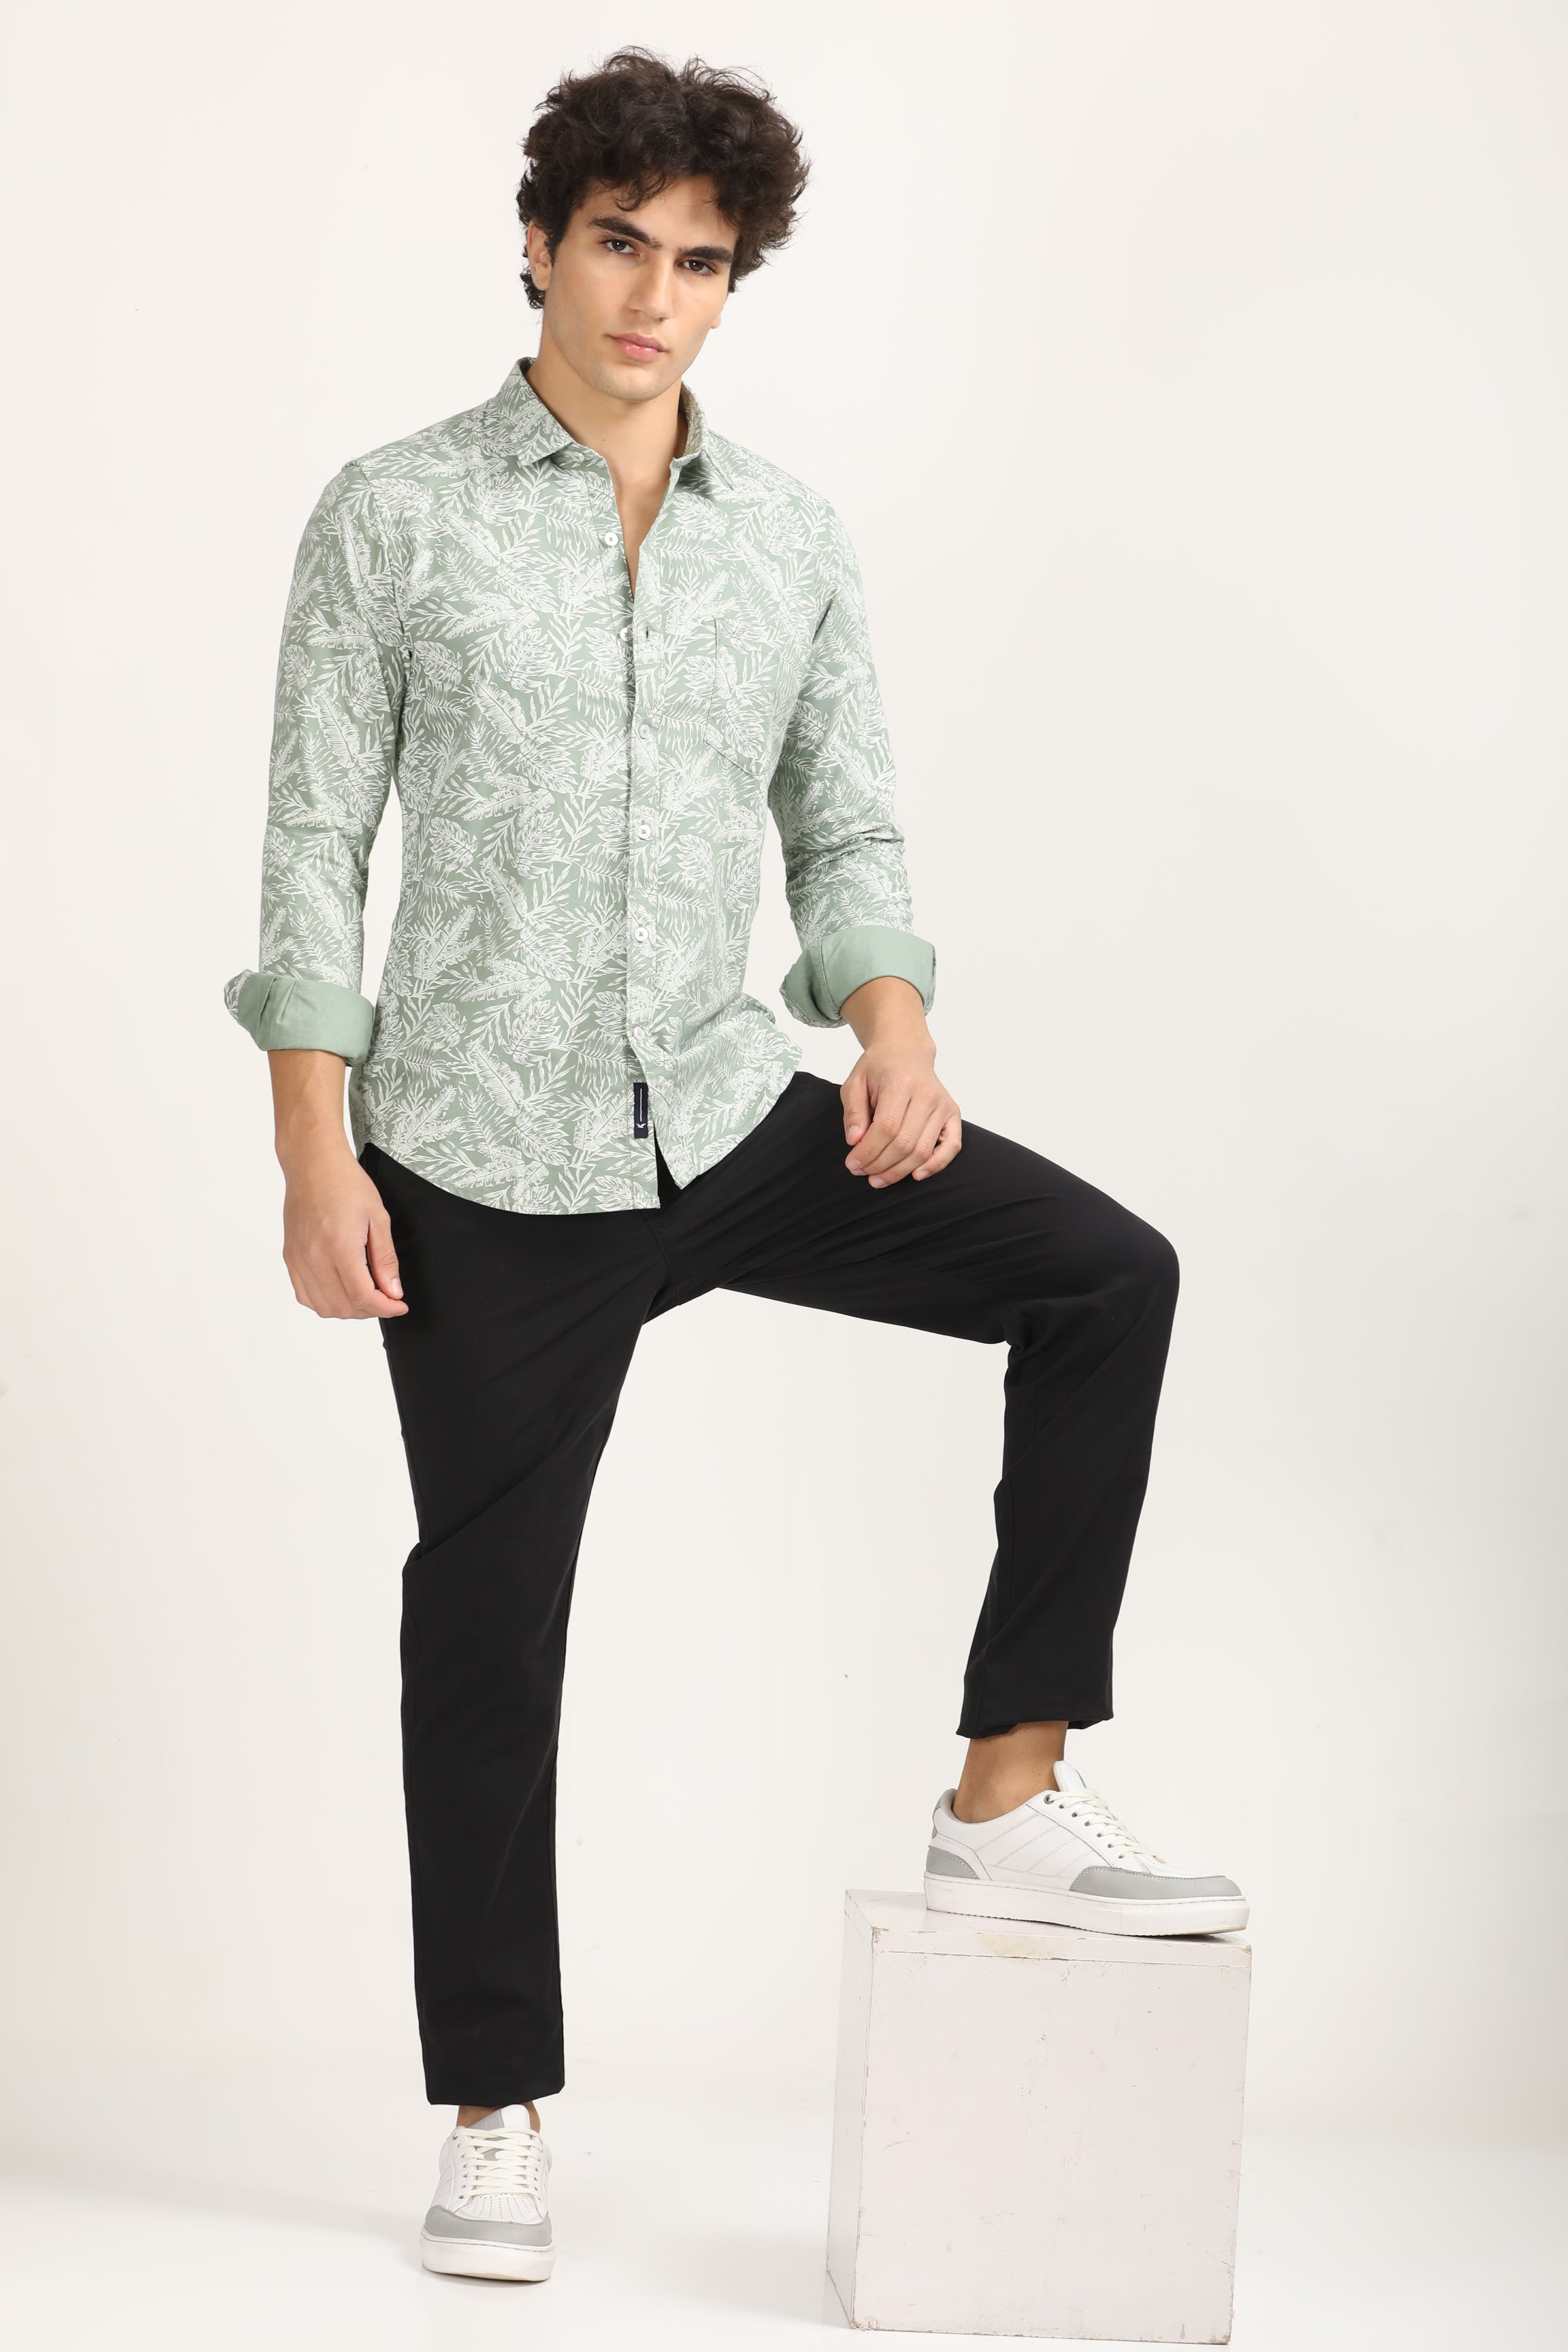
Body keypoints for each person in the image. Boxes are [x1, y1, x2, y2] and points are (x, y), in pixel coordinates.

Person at [224, 46, 1247, 2288]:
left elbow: (846, 821)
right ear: (538, 241)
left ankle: (1007, 1788)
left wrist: (894, 1038)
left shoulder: (787, 536)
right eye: (619, 244)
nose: (652, 298)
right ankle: (494, 2110)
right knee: (487, 1625)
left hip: (719, 1113)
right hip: (479, 1160)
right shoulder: (391, 515)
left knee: (1107, 1274)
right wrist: (315, 1152)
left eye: (699, 263)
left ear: (733, 281)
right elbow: (312, 855)